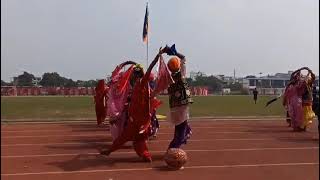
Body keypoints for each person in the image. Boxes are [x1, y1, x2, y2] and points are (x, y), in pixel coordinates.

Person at [100, 48, 166, 162]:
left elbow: (150, 68)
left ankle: (110, 150)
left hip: (136, 121)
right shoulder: (140, 86)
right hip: (140, 121)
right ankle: (146, 156)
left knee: (123, 138)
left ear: (137, 75)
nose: (132, 76)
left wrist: (157, 56)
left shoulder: (142, 83)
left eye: (134, 74)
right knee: (138, 142)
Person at [163, 44, 193, 149]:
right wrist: (174, 52)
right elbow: (184, 58)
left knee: (180, 127)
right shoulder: (182, 75)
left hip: (174, 107)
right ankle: (173, 149)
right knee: (181, 130)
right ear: (179, 66)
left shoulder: (168, 78)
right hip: (183, 106)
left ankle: (186, 132)